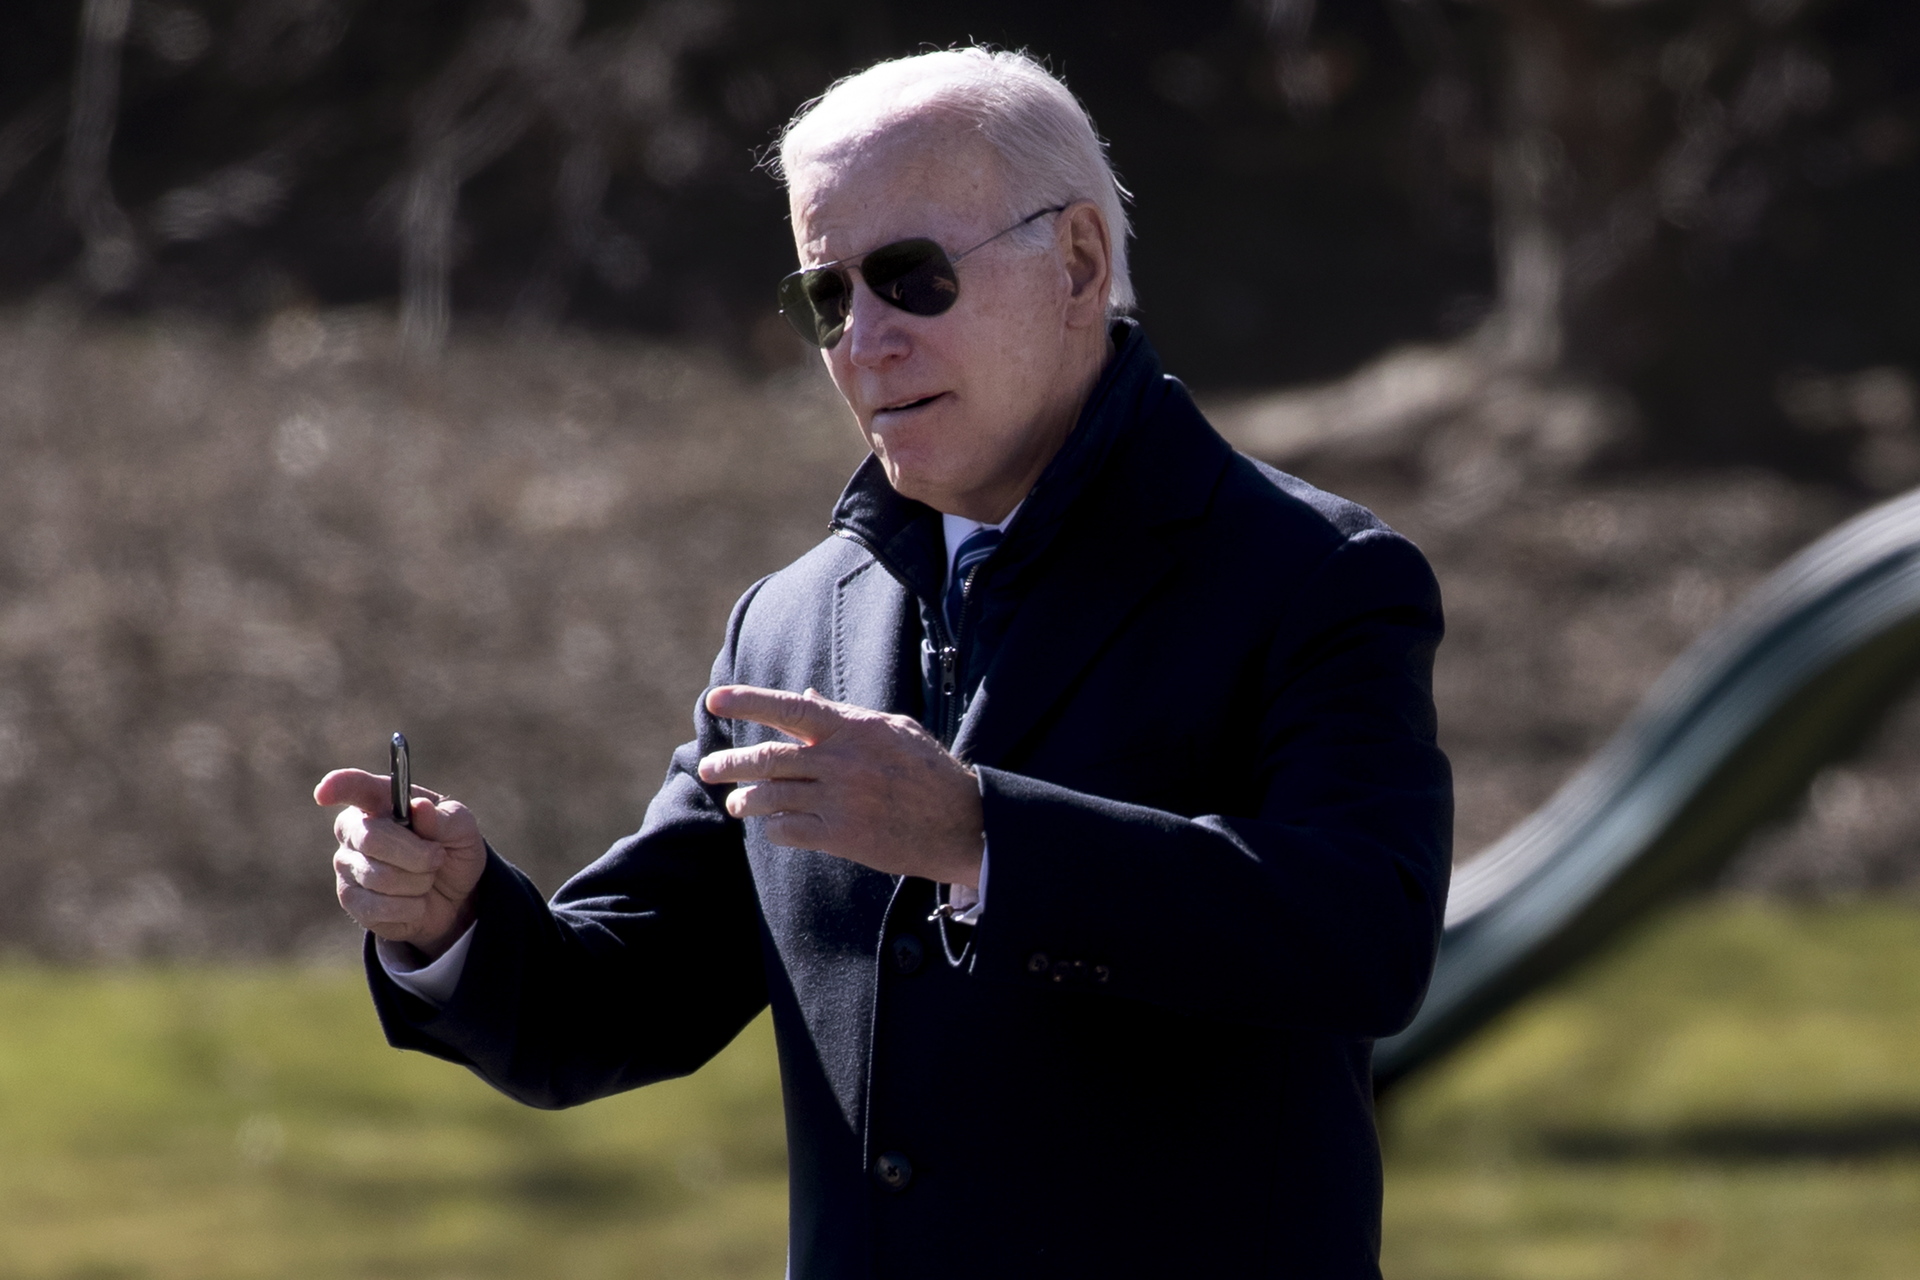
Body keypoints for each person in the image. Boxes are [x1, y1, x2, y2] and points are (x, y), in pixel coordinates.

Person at [317, 47, 1451, 1279]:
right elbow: (609, 1007)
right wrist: (454, 917)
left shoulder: (1314, 574)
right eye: (826, 296)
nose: (865, 339)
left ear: (1078, 263)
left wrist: (982, 838)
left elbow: (1368, 935)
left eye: (913, 277)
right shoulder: (790, 621)